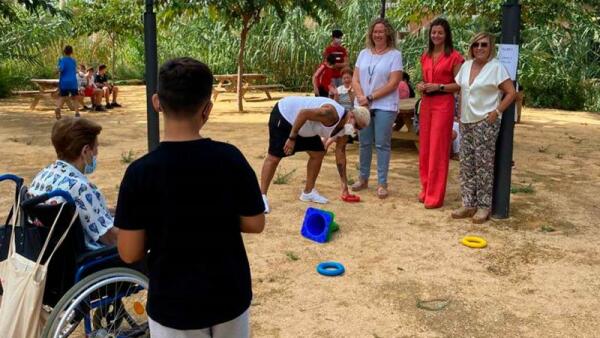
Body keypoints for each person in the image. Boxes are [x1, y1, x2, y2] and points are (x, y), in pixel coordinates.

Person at [115, 57, 265, 337]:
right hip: (229, 296)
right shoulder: (230, 158)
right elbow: (256, 222)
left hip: (173, 304)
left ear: (156, 102)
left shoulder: (139, 173)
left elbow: (129, 251)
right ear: (207, 109)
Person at [259, 96, 371, 213]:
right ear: (351, 116)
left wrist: (344, 185)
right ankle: (261, 197)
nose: (356, 131)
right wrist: (292, 138)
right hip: (286, 115)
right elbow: (303, 113)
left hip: (305, 127)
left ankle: (308, 192)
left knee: (318, 153)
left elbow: (341, 154)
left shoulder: (345, 131)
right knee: (274, 157)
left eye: (360, 129)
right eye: (357, 126)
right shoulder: (331, 114)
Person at [452, 32, 516, 223]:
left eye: (484, 45)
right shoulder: (466, 65)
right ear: (471, 48)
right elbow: (461, 89)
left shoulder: (496, 67)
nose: (479, 48)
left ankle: (483, 206)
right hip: (466, 120)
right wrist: (459, 114)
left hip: (484, 122)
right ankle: (468, 203)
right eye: (476, 45)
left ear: (491, 47)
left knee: (484, 166)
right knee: (466, 164)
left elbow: (511, 93)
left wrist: (496, 112)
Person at [28, 117, 118, 250]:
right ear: (85, 151)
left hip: (49, 253)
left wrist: (114, 211)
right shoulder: (79, 188)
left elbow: (80, 213)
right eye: (96, 148)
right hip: (89, 259)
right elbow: (111, 239)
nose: (96, 153)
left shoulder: (42, 176)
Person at [351, 18, 403, 199]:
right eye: (375, 31)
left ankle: (382, 183)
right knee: (364, 143)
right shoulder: (364, 53)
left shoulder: (394, 55)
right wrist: (360, 97)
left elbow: (394, 82)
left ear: (388, 33)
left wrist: (371, 97)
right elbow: (355, 78)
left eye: (381, 31)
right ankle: (363, 178)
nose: (378, 34)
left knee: (382, 144)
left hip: (384, 105)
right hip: (363, 105)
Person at [415, 17, 464, 209]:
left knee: (438, 149)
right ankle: (426, 189)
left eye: (440, 33)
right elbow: (425, 80)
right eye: (433, 32)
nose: (436, 35)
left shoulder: (454, 57)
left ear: (446, 35)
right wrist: (422, 85)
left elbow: (460, 84)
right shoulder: (425, 55)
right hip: (427, 103)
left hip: (443, 104)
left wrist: (440, 86)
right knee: (425, 148)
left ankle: (435, 196)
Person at [55, 45, 80, 119]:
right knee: (75, 97)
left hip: (64, 82)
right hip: (73, 82)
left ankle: (58, 108)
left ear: (64, 51)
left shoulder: (62, 60)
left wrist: (56, 71)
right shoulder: (73, 61)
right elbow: (75, 70)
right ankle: (77, 113)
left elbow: (61, 69)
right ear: (71, 52)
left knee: (62, 97)